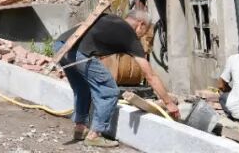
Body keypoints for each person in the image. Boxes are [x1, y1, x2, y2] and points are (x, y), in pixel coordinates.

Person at [53, 9, 179, 148]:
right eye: (145, 31)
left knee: (82, 87)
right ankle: (94, 135)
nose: (143, 35)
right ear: (141, 24)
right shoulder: (130, 36)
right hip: (79, 52)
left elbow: (82, 25)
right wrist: (168, 103)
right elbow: (150, 76)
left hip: (61, 45)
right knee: (108, 90)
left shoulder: (110, 19)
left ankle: (80, 128)